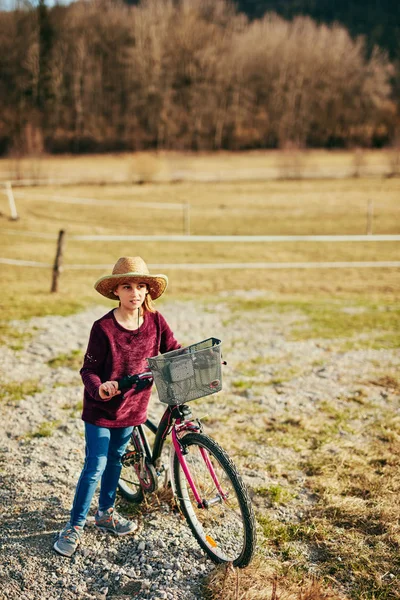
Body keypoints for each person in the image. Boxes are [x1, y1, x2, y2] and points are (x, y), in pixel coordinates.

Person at [54, 256, 180, 557]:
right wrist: (100, 386)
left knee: (116, 460)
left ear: (148, 291)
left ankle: (106, 513)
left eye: (140, 286)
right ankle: (74, 525)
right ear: (116, 292)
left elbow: (173, 350)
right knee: (95, 465)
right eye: (127, 286)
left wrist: (197, 358)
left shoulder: (156, 321)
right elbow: (89, 370)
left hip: (133, 408)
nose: (135, 293)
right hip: (102, 409)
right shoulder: (104, 328)